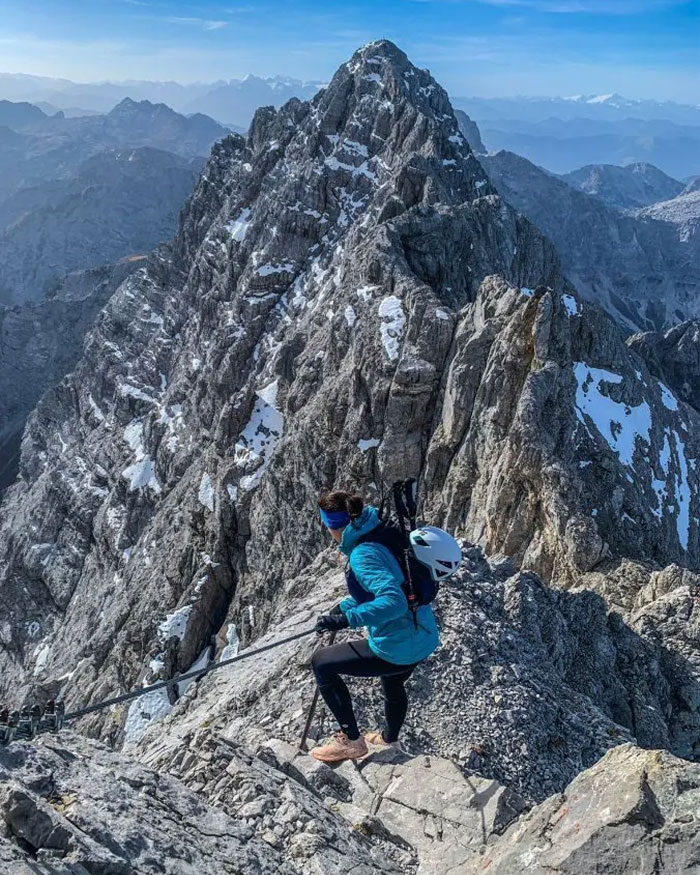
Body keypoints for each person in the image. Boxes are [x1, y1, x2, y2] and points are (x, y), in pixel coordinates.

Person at [309, 489, 440, 763]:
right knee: (392, 685)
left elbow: (394, 602)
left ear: (334, 526)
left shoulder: (362, 554)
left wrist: (347, 619)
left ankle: (351, 741)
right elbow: (393, 584)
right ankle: (389, 739)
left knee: (322, 663)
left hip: (398, 646)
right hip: (423, 636)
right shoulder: (381, 532)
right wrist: (344, 607)